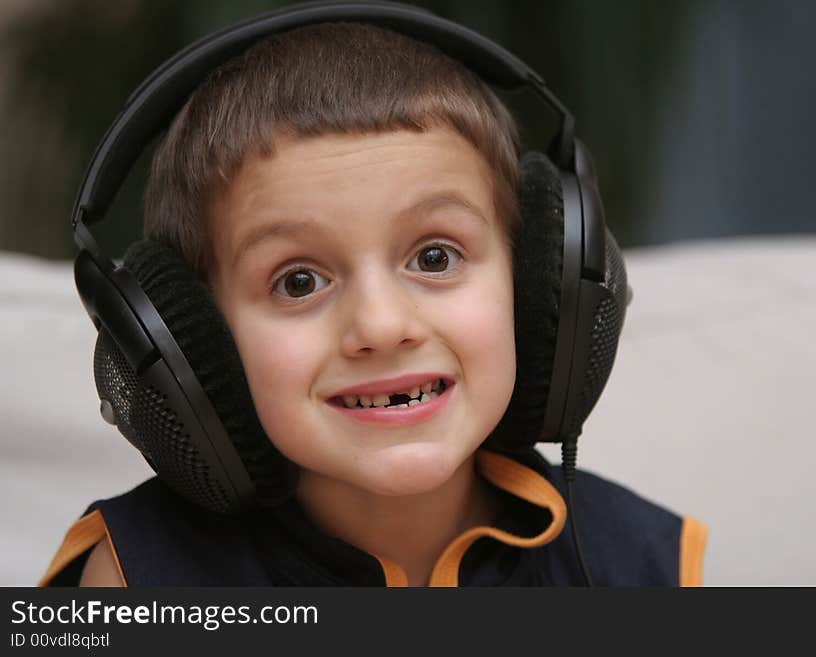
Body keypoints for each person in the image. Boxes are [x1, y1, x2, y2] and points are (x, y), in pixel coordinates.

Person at [40, 6, 706, 588]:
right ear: (194, 340)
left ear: (536, 283)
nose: (382, 326)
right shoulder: (138, 574)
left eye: (435, 257)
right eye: (298, 280)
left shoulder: (644, 564)